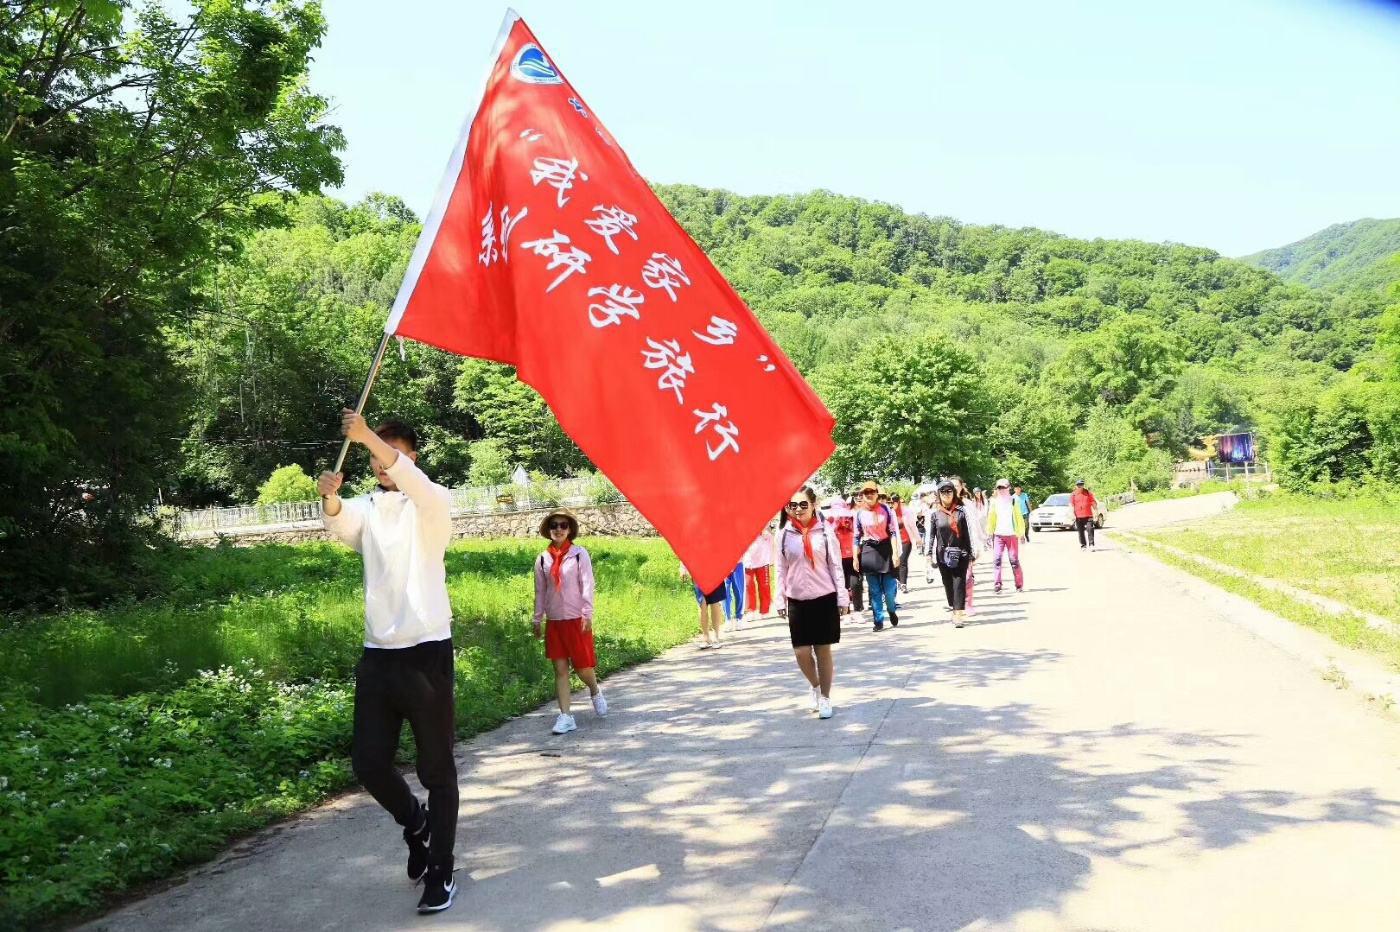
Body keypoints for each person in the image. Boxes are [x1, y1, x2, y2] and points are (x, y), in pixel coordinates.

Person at [319, 411, 458, 914]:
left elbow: (411, 481)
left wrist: (367, 438)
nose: (381, 462)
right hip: (378, 654)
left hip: (427, 651)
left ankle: (441, 869)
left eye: (392, 453)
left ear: (411, 457)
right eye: (375, 456)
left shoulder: (433, 502)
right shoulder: (369, 508)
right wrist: (330, 497)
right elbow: (342, 523)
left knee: (436, 768)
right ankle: (416, 823)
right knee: (369, 763)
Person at [775, 486, 849, 719]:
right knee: (801, 652)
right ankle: (815, 686)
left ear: (813, 505)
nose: (798, 509)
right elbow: (780, 569)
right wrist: (780, 598)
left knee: (822, 650)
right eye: (793, 505)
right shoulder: (783, 535)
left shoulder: (825, 532)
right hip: (797, 599)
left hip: (824, 597)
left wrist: (842, 597)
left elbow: (836, 566)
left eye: (803, 504)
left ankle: (825, 697)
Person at [532, 508, 606, 736]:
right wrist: (537, 618)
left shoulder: (579, 554)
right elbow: (540, 591)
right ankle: (565, 716)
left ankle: (594, 690)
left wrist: (587, 613)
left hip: (576, 619)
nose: (558, 529)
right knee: (560, 669)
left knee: (582, 667)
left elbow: (587, 584)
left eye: (563, 525)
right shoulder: (542, 559)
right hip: (555, 621)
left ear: (570, 529)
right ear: (548, 529)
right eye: (554, 525)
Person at [854, 480, 900, 631]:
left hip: (886, 549)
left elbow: (893, 532)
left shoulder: (885, 509)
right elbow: (856, 537)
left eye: (872, 492)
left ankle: (891, 610)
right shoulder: (859, 513)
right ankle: (878, 621)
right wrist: (855, 558)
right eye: (866, 492)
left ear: (877, 494)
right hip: (869, 550)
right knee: (874, 591)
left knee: (889, 590)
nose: (869, 495)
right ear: (862, 495)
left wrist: (895, 553)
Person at [928, 480, 973, 627]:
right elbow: (931, 536)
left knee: (959, 583)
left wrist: (969, 553)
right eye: (943, 492)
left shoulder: (961, 512)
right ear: (939, 494)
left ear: (954, 493)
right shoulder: (935, 515)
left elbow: (967, 534)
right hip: (943, 555)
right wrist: (929, 554)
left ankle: (958, 614)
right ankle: (954, 607)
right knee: (948, 584)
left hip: (960, 554)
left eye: (949, 491)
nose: (946, 494)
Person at [827, 494, 865, 619]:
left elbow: (859, 533)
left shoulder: (853, 517)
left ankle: (858, 610)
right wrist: (836, 523)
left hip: (853, 555)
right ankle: (846, 611)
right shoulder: (829, 521)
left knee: (856, 583)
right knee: (842, 585)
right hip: (837, 558)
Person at [986, 478, 1026, 593]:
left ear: (1009, 488)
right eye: (999, 488)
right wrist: (989, 533)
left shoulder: (1014, 501)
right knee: (997, 559)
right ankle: (997, 584)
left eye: (1003, 487)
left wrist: (1021, 534)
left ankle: (1019, 585)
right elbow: (990, 518)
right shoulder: (994, 502)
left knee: (1014, 560)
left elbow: (1019, 518)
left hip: (1012, 535)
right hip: (998, 535)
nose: (1001, 490)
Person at [742, 521, 776, 621]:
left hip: (763, 562)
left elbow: (773, 545)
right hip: (748, 563)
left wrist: (771, 560)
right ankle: (751, 610)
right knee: (749, 586)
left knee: (764, 586)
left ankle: (765, 610)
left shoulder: (766, 534)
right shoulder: (744, 531)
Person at [890, 493, 920, 594]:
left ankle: (903, 584)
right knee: (895, 562)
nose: (893, 504)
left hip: (906, 540)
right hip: (894, 541)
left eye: (894, 502)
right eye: (891, 502)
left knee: (902, 561)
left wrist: (918, 539)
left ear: (898, 502)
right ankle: (898, 580)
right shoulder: (888, 512)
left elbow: (913, 526)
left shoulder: (906, 512)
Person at [1071, 479, 1099, 551]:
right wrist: (1072, 514)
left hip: (1088, 515)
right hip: (1078, 516)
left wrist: (1096, 513)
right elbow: (1072, 505)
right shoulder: (1073, 494)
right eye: (1078, 485)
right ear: (1076, 486)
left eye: (1081, 484)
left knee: (1090, 529)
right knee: (1080, 532)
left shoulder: (1088, 493)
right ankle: (1083, 545)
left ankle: (1091, 545)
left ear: (1083, 485)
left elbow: (1094, 503)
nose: (1080, 486)